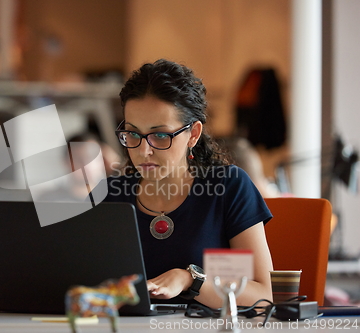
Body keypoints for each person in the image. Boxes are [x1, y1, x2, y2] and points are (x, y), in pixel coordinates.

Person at [102, 59, 273, 308]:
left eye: (160, 135)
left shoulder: (228, 187)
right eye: (133, 134)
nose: (143, 151)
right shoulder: (111, 195)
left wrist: (189, 280)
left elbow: (262, 295)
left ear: (193, 134)